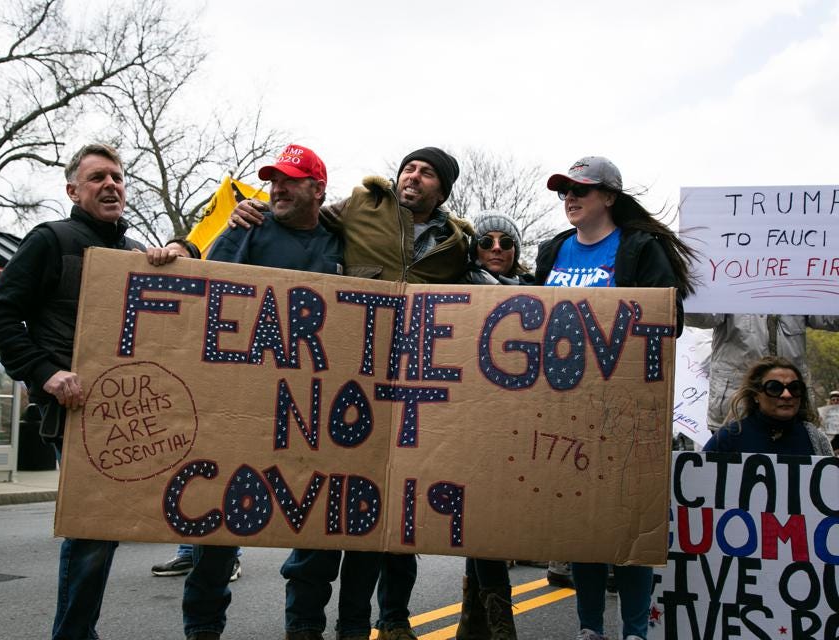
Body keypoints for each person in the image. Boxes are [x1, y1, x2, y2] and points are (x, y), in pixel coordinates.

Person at [232, 146, 471, 640]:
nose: (413, 176)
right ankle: (303, 625)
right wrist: (244, 215)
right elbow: (304, 217)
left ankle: (357, 627)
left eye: (427, 173)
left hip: (402, 402)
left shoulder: (454, 245)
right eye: (408, 168)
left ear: (442, 190)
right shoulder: (363, 204)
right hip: (339, 388)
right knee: (321, 512)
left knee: (374, 521)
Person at [0, 143, 189, 640]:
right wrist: (45, 372)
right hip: (73, 410)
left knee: (104, 527)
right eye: (97, 178)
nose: (110, 185)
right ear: (73, 191)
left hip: (130, 411)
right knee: (95, 528)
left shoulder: (135, 251)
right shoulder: (50, 240)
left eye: (116, 177)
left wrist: (181, 253)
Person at [169, 143, 343, 640]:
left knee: (317, 526)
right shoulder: (246, 227)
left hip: (312, 412)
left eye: (290, 180)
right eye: (273, 180)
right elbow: (206, 291)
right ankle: (203, 628)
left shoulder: (341, 239)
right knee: (221, 525)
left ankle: (304, 625)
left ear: (317, 189)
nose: (277, 188)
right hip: (243, 407)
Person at [535, 156, 697, 640]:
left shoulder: (639, 248)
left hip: (625, 407)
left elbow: (669, 318)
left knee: (629, 523)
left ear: (608, 197)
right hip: (564, 406)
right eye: (564, 190)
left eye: (580, 189)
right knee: (583, 525)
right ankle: (590, 628)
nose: (570, 198)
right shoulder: (552, 250)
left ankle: (634, 631)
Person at [456, 211, 527, 639]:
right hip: (469, 417)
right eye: (486, 242)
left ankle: (473, 619)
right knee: (480, 518)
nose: (497, 248)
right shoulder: (456, 285)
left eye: (506, 242)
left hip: (517, 418)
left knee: (485, 520)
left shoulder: (536, 290)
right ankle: (501, 625)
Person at [684, 314, 839, 431]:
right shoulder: (725, 284)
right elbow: (699, 317)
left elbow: (831, 317)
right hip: (736, 408)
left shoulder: (800, 284)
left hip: (793, 407)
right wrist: (686, 289)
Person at [703, 356, 832, 456]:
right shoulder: (728, 438)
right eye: (774, 388)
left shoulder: (816, 439)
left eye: (794, 388)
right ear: (755, 395)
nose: (787, 395)